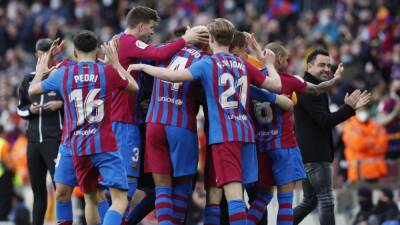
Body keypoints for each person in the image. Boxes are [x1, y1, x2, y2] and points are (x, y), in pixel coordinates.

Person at [128, 18, 282, 225]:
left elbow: (173, 76)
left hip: (203, 131)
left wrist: (142, 68)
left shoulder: (199, 60)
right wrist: (268, 64)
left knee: (170, 188)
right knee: (236, 193)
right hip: (244, 131)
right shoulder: (241, 62)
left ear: (210, 38)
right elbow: (275, 85)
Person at [28, 30, 138, 225]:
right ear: (97, 50)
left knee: (90, 197)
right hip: (94, 144)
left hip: (79, 146)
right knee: (107, 198)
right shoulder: (107, 72)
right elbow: (134, 87)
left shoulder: (64, 73)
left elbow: (32, 90)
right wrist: (115, 62)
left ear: (75, 52)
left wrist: (40, 70)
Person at [111, 7, 208, 221]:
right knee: (178, 184)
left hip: (150, 123)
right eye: (152, 27)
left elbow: (154, 61)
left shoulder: (124, 43)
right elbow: (158, 54)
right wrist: (185, 39)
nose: (152, 32)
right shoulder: (205, 60)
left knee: (156, 188)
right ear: (141, 25)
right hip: (155, 124)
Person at [293, 49, 371, 225]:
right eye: (321, 64)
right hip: (315, 155)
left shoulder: (317, 87)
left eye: (329, 65)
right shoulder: (309, 89)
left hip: (311, 154)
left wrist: (348, 109)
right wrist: (349, 109)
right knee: (326, 200)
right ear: (309, 65)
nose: (327, 69)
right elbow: (324, 121)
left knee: (309, 201)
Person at [16, 38, 63, 225]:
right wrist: (30, 110)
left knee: (61, 189)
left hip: (55, 140)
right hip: (34, 142)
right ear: (36, 54)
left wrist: (61, 104)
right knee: (38, 191)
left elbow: (75, 104)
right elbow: (20, 108)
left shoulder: (60, 75)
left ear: (54, 54)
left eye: (48, 53)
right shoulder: (28, 79)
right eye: (41, 53)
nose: (44, 57)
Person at [342, 106, 388, 183]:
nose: (363, 112)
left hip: (376, 173)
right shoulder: (350, 126)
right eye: (360, 110)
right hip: (358, 173)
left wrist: (365, 142)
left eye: (365, 110)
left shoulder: (377, 126)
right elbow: (358, 145)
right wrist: (373, 142)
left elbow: (382, 147)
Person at [377, 78, 400, 159]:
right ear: (391, 88)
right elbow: (381, 122)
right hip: (390, 146)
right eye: (396, 88)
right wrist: (394, 112)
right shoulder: (385, 102)